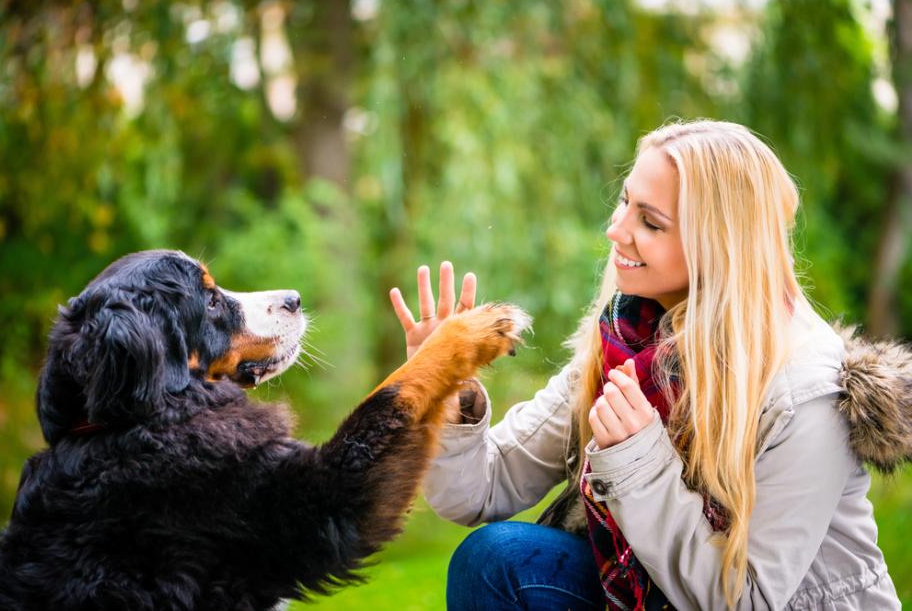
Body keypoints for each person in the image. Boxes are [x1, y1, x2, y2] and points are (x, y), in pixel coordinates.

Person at [389, 120, 908, 610]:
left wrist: (638, 462)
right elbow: (483, 488)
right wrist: (446, 387)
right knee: (496, 560)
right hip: (652, 593)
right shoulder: (630, 336)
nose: (616, 230)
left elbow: (746, 598)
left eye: (650, 222)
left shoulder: (806, 391)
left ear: (719, 246)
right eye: (625, 202)